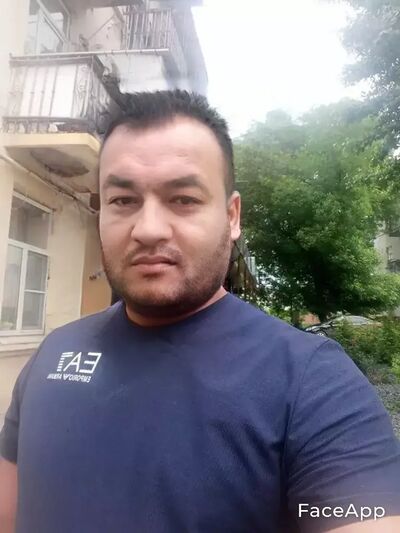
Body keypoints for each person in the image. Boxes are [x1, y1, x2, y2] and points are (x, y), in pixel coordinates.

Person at [0, 90, 399, 533]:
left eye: (184, 199)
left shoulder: (311, 384)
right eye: (123, 201)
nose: (148, 229)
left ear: (232, 216)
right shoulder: (54, 353)